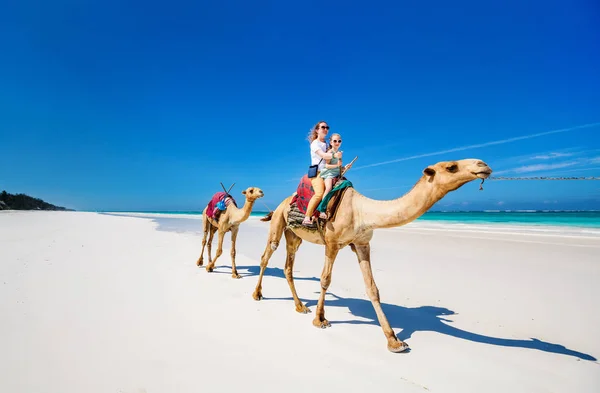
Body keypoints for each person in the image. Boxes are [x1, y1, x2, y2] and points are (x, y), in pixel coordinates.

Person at [302, 121, 348, 226]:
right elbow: (323, 155)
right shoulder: (315, 144)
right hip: (318, 173)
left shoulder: (327, 144)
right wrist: (335, 156)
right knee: (319, 193)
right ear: (317, 130)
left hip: (329, 172)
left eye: (327, 127)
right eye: (323, 127)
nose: (326, 129)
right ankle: (307, 217)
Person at [320, 133, 344, 198]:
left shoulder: (339, 153)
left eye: (339, 141)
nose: (337, 142)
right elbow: (327, 166)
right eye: (335, 141)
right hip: (329, 174)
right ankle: (322, 206)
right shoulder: (330, 152)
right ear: (331, 142)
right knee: (328, 188)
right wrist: (337, 165)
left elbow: (339, 166)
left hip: (336, 173)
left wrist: (345, 167)